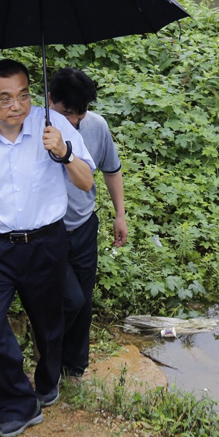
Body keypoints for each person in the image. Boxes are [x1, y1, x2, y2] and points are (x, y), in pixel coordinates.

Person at [0, 59, 96, 437]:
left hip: (46, 243)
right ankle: (17, 405)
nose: (16, 106)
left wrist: (65, 154)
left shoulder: (52, 125)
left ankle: (46, 382)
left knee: (49, 326)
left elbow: (86, 181)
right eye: (4, 98)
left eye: (23, 95)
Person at [48, 68, 128, 378]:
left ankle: (74, 367)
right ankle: (48, 357)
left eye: (80, 114)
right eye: (67, 114)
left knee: (83, 300)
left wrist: (120, 214)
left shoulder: (95, 126)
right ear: (50, 100)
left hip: (83, 225)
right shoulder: (33, 129)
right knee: (67, 298)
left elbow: (111, 170)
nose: (75, 122)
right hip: (47, 231)